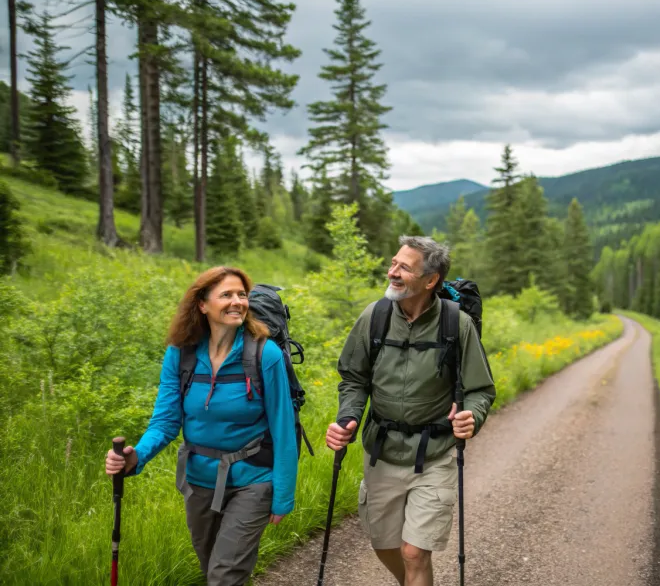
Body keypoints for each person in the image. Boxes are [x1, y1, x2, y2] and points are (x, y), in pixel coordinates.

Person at [105, 266, 298, 586]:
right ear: (202, 305)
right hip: (199, 480)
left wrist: (283, 496)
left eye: (242, 294)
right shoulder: (181, 354)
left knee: (224, 576)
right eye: (227, 295)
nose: (237, 301)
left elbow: (283, 429)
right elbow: (166, 421)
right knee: (212, 569)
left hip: (254, 479)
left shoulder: (265, 354)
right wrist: (135, 456)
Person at [326, 236, 496, 586]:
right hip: (382, 452)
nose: (392, 272)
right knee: (384, 545)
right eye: (393, 264)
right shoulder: (374, 317)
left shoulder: (456, 324)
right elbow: (353, 378)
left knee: (414, 553)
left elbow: (481, 389)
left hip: (434, 454)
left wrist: (472, 417)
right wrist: (349, 417)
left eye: (403, 267)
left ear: (430, 279)